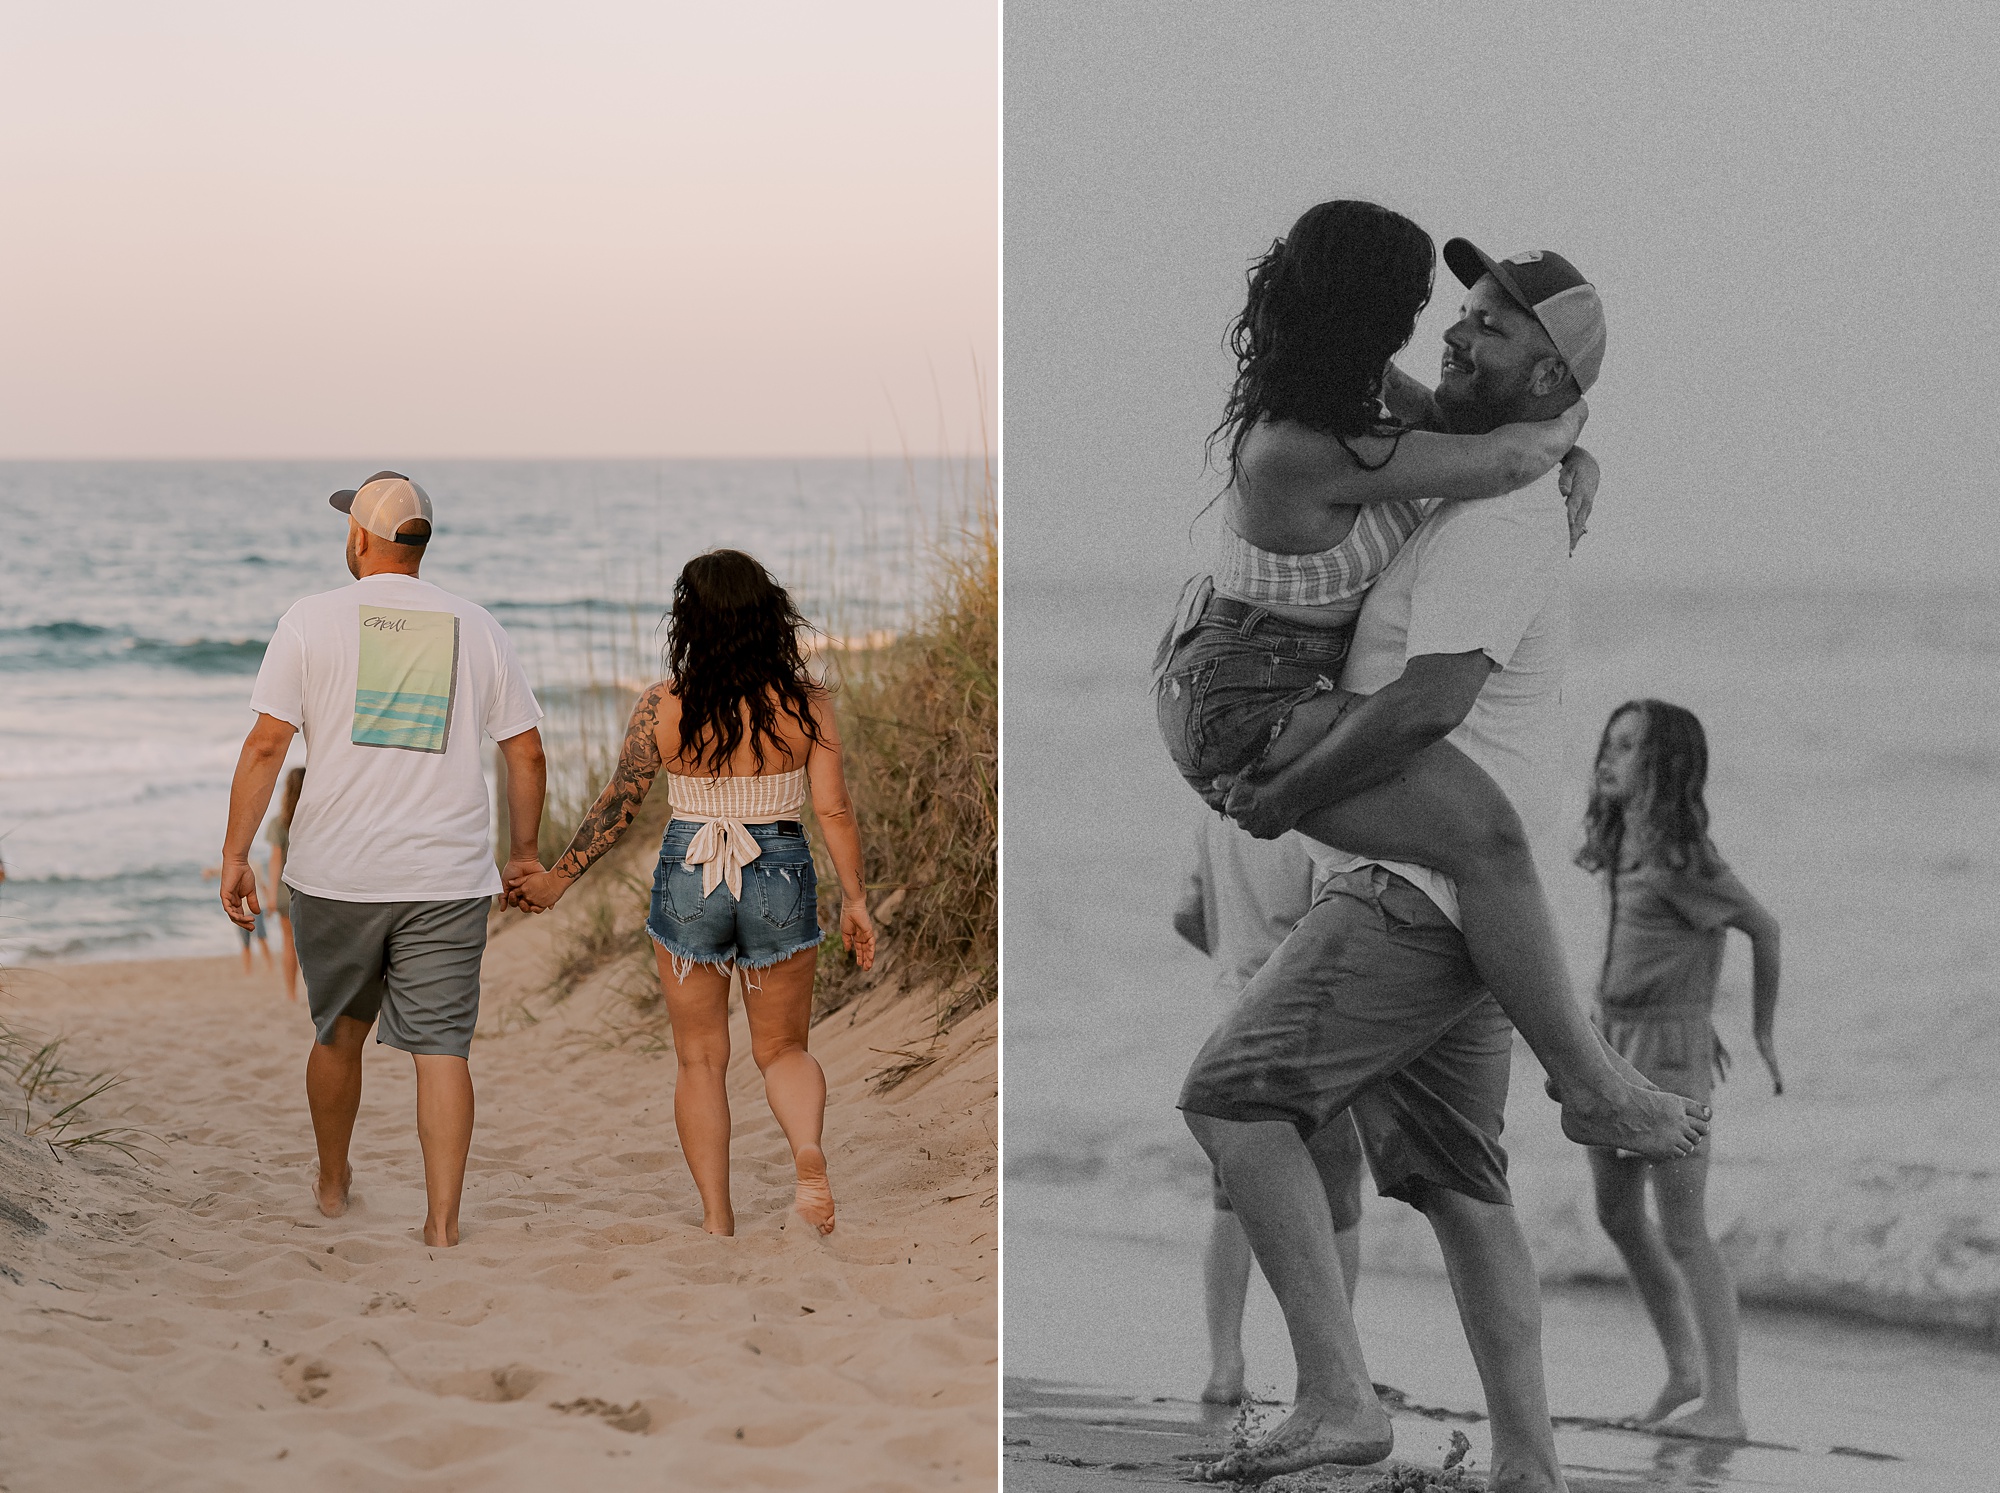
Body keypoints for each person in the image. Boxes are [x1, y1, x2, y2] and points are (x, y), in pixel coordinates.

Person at [1181, 238, 1707, 1491]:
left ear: (1546, 373)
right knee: (1461, 1187)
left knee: (1230, 1100)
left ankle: (1334, 1395)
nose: (1459, 336)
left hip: (1417, 888)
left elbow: (1429, 699)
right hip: (1458, 897)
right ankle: (1527, 1465)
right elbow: (1404, 420)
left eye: (1490, 327)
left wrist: (1291, 792)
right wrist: (1571, 449)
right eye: (1459, 313)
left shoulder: (1498, 506)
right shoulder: (1475, 475)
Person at [1155, 200, 1699, 1158]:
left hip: (1258, 681)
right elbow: (1502, 455)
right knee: (1488, 833)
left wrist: (1581, 452)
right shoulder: (1300, 445)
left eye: (1467, 317)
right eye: (1421, 305)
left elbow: (1495, 440)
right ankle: (1591, 1084)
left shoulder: (1355, 391)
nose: (1436, 325)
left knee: (1458, 1179)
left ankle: (1589, 1083)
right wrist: (1572, 445)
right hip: (1243, 695)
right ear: (1365, 314)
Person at [218, 472, 548, 1249]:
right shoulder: (480, 626)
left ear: (360, 538)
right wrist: (525, 853)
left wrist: (236, 852)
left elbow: (267, 744)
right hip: (448, 876)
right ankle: (442, 1224)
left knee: (339, 1031)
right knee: (441, 1048)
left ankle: (333, 1185)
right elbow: (525, 751)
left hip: (338, 873)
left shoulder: (309, 620)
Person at [509, 550, 876, 1237]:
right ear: (768, 615)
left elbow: (620, 803)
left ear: (689, 621)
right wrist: (856, 899)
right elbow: (834, 810)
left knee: (701, 1057)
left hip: (690, 873)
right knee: (784, 1050)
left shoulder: (664, 705)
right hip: (781, 869)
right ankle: (807, 1148)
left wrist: (557, 877)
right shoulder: (807, 701)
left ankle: (716, 1219)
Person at [1578, 700, 1782, 1443]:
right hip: (1611, 1044)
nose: (1608, 755)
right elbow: (1681, 939)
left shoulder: (1681, 854)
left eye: (1628, 746)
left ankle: (1724, 1403)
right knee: (1616, 1214)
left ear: (1664, 766)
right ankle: (1683, 1370)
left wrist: (1753, 1027)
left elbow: (1758, 924)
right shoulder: (1624, 839)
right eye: (1608, 741)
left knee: (1685, 1228)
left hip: (1668, 1057)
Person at [1172, 811, 1363, 1405]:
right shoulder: (1314, 815)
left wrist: (1235, 954)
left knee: (1234, 1196)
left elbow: (1187, 916)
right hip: (1303, 1011)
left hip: (1232, 1006)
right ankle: (1335, 1369)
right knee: (1337, 1200)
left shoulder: (1214, 810)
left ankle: (1225, 1366)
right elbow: (1333, 918)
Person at [267, 766, 306, 1002]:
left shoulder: (279, 823)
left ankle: (291, 994)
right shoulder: (316, 820)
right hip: (311, 889)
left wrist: (272, 895)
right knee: (315, 946)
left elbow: (274, 861)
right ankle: (314, 994)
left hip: (284, 892)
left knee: (288, 943)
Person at [204, 862, 276, 976]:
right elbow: (218, 871)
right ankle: (247, 969)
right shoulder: (231, 865)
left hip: (256, 907)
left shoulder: (255, 865)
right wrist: (208, 872)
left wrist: (271, 903)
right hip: (241, 909)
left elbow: (262, 884)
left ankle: (269, 965)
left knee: (261, 936)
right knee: (245, 942)